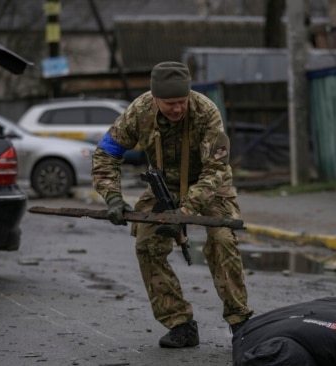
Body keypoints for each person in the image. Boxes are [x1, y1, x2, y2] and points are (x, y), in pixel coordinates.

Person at [92, 61, 253, 348]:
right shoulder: (138, 112)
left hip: (209, 185)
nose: (177, 109)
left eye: (181, 101)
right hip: (162, 185)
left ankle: (240, 321)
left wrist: (185, 212)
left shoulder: (206, 111)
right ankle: (180, 323)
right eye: (169, 103)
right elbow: (105, 154)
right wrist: (113, 198)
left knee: (222, 240)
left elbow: (215, 169)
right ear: (154, 98)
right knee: (146, 245)